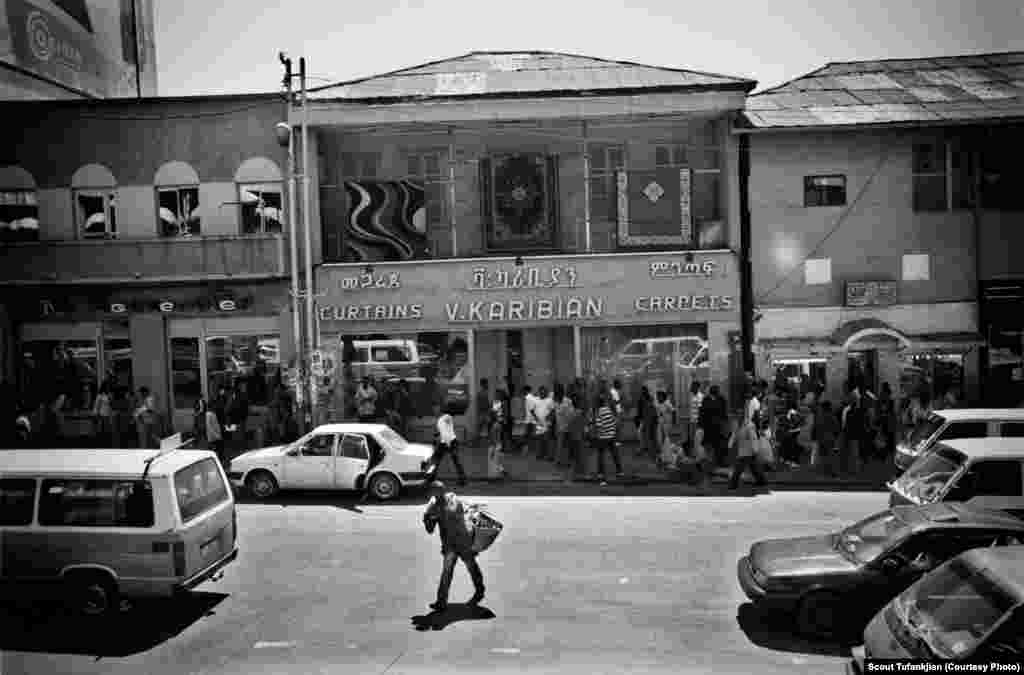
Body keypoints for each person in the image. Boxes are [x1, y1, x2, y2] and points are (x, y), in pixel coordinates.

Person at [422, 481, 485, 611]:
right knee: (447, 572)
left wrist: (433, 513)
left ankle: (480, 590)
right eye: (434, 492)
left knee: (471, 566)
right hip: (449, 544)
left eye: (438, 491)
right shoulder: (433, 507)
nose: (436, 494)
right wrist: (427, 519)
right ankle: (441, 601)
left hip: (463, 541)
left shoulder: (452, 499)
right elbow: (430, 530)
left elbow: (454, 511)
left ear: (443, 491)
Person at [430, 404, 467, 486]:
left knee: (455, 461)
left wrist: (448, 444)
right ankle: (432, 478)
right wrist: (436, 435)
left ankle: (463, 480)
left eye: (436, 409)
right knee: (436, 460)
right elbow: (442, 431)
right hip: (444, 443)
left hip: (451, 442)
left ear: (440, 410)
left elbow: (448, 422)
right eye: (434, 410)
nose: (435, 411)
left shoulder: (446, 417)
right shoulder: (439, 420)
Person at [592, 394, 624, 486]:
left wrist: (596, 435)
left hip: (602, 437)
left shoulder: (598, 412)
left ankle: (601, 473)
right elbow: (614, 422)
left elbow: (599, 426)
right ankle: (619, 471)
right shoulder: (608, 410)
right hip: (611, 436)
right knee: (614, 454)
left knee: (601, 456)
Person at [728, 415, 767, 490]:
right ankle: (761, 481)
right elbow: (734, 435)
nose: (738, 419)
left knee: (738, 468)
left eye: (740, 417)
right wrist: (730, 444)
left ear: (743, 418)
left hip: (748, 450)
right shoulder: (736, 425)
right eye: (737, 417)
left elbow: (753, 438)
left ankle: (733, 484)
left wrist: (755, 449)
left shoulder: (749, 425)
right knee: (754, 468)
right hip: (743, 450)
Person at [700, 385, 729, 467]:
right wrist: (701, 425)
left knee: (719, 445)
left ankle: (720, 461)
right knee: (709, 445)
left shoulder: (722, 399)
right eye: (715, 390)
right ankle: (710, 463)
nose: (717, 391)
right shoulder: (706, 400)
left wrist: (725, 424)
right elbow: (702, 413)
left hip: (719, 426)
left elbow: (724, 412)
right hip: (708, 426)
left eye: (717, 390)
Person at [814, 400, 840, 477]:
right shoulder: (832, 416)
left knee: (823, 455)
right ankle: (831, 471)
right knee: (830, 455)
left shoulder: (819, 417)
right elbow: (836, 428)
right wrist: (835, 436)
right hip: (830, 438)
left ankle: (824, 471)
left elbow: (816, 427)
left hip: (821, 438)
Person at [531, 385, 554, 461]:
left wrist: (549, 417)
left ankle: (549, 456)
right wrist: (536, 418)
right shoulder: (535, 400)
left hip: (547, 423)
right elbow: (532, 410)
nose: (542, 392)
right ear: (539, 392)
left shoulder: (549, 400)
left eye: (544, 391)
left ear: (546, 392)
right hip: (538, 423)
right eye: (541, 391)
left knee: (547, 440)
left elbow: (553, 411)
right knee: (539, 439)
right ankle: (539, 454)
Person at [93, 382, 114, 447]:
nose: (108, 388)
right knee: (101, 431)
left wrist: (110, 397)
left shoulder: (110, 395)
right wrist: (96, 415)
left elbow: (111, 405)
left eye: (109, 387)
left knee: (108, 431)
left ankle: (108, 444)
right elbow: (96, 406)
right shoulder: (100, 396)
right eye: (107, 386)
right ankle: (101, 444)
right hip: (101, 415)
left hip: (108, 415)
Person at [205, 399, 224, 464]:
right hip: (213, 437)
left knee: (219, 450)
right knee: (216, 450)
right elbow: (209, 427)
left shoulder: (213, 413)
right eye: (214, 405)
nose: (215, 406)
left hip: (216, 435)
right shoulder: (208, 414)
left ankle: (219, 461)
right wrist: (216, 435)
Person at [687, 381, 704, 452]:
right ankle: (694, 452)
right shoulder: (692, 396)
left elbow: (700, 409)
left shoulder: (700, 396)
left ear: (696, 387)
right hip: (692, 420)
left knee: (698, 439)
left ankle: (698, 453)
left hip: (698, 421)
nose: (690, 388)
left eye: (692, 386)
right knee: (692, 438)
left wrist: (699, 421)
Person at [475, 378, 491, 444]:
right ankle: (479, 440)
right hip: (484, 412)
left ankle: (481, 440)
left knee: (484, 426)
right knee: (482, 426)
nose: (487, 384)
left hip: (484, 412)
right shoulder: (482, 393)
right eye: (486, 383)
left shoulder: (483, 393)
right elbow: (483, 404)